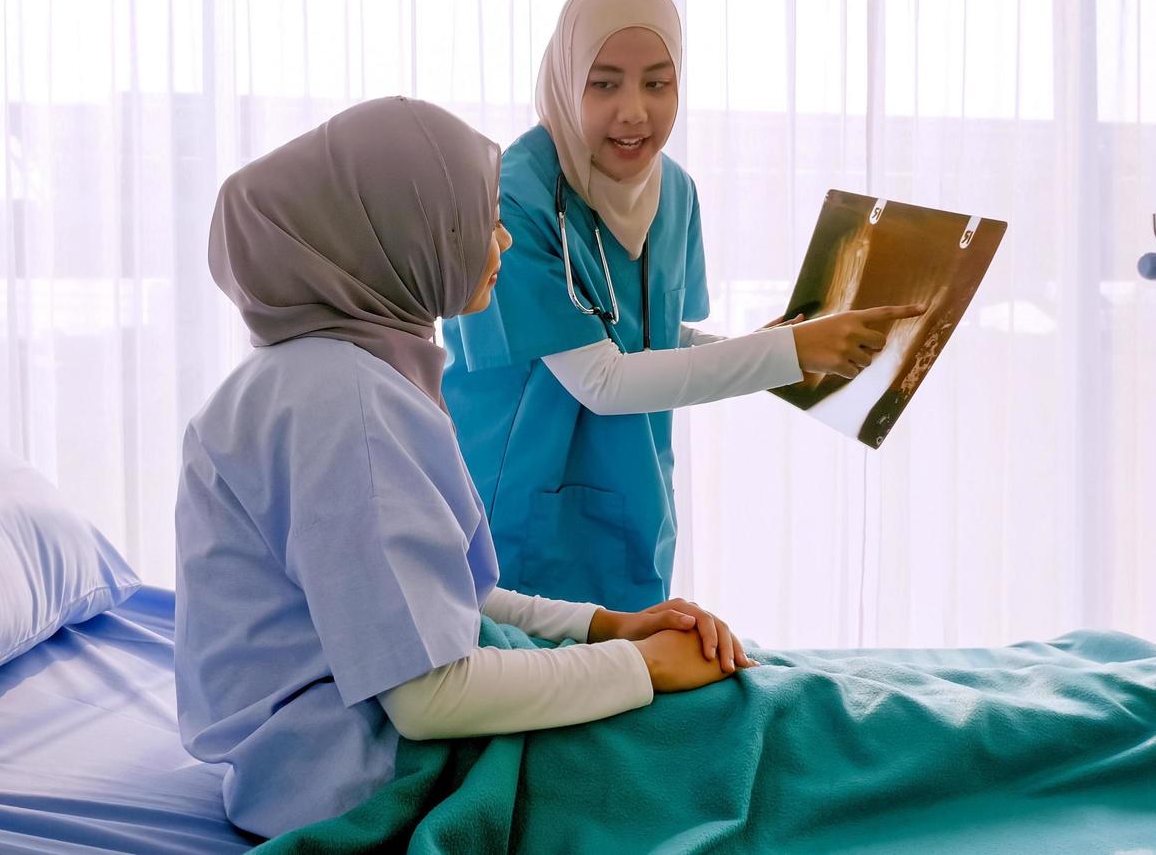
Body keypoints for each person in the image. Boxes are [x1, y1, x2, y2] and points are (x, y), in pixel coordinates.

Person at [174, 97, 754, 838]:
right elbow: (427, 693)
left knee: (753, 715)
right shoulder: (341, 405)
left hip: (336, 748)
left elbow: (437, 601)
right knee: (757, 739)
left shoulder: (326, 373)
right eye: (478, 221)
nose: (504, 239)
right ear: (398, 233)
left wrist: (604, 626)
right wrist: (645, 669)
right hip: (352, 774)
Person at [443, 0, 922, 610]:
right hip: (516, 500)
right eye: (605, 83)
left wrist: (793, 346)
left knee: (636, 694)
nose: (635, 111)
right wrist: (791, 353)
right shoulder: (511, 196)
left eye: (658, 83)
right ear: (564, 80)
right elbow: (602, 381)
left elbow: (658, 338)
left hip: (632, 495)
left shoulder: (674, 193)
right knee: (533, 684)